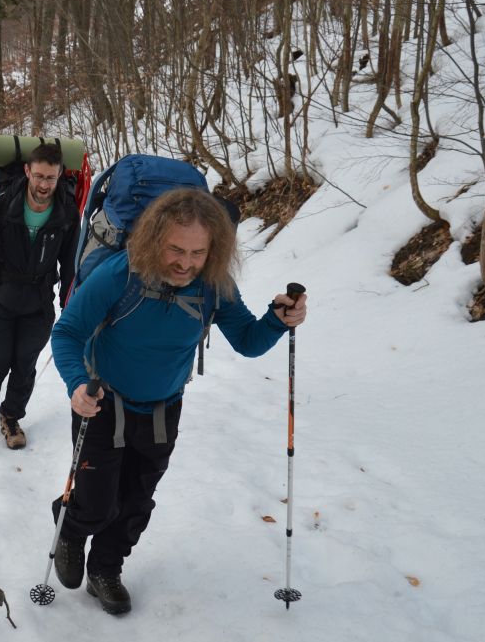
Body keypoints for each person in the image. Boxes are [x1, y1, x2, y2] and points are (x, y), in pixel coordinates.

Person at [49, 188, 308, 615]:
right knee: (98, 503)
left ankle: (106, 569)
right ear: (154, 239)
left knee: (135, 503)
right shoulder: (120, 274)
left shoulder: (214, 284)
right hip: (101, 402)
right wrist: (77, 384)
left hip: (162, 409)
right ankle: (72, 527)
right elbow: (68, 332)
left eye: (198, 252)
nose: (186, 263)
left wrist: (278, 320)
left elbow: (247, 340)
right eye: (175, 249)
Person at [0, 144, 79, 449]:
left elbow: (70, 262)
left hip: (38, 303)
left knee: (25, 366)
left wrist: (69, 305)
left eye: (50, 177)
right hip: (0, 297)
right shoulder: (4, 203)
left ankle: (11, 418)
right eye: (39, 176)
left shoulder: (67, 213)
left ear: (60, 174)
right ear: (27, 171)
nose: (44, 184)